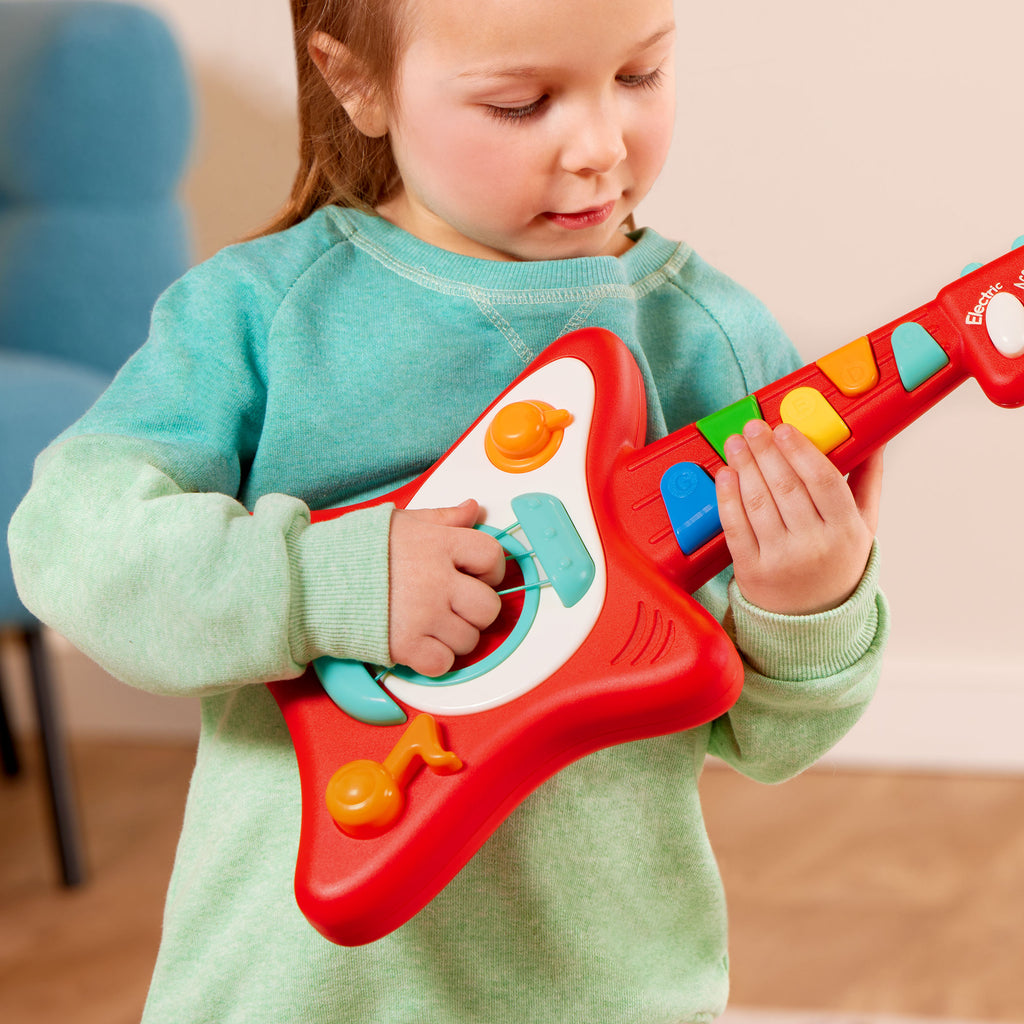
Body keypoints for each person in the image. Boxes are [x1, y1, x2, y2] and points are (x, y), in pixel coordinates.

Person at [8, 0, 888, 1020]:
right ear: (356, 81)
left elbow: (771, 740)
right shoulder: (259, 311)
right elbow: (66, 540)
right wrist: (331, 583)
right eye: (521, 103)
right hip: (293, 993)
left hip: (602, 992)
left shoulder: (712, 341)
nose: (601, 146)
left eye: (638, 75)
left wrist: (807, 607)